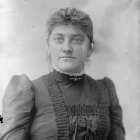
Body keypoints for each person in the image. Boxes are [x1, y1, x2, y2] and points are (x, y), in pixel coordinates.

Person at [0, 7, 125, 140]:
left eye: (76, 40)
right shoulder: (27, 91)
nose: (66, 48)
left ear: (90, 48)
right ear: (48, 46)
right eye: (59, 39)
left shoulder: (105, 90)